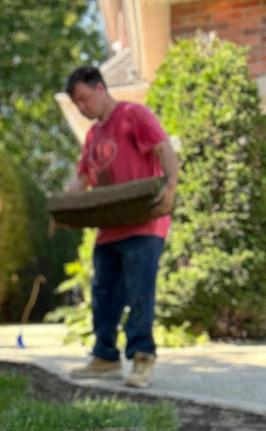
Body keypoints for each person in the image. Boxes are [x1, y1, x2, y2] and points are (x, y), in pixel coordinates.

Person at [56, 65, 179, 389]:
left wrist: (171, 186)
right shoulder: (93, 137)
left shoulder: (133, 114)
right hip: (109, 228)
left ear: (100, 88)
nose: (82, 108)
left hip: (143, 224)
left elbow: (164, 148)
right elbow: (83, 180)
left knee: (139, 293)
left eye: (84, 98)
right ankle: (105, 357)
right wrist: (60, 208)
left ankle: (142, 359)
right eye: (77, 104)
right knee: (102, 295)